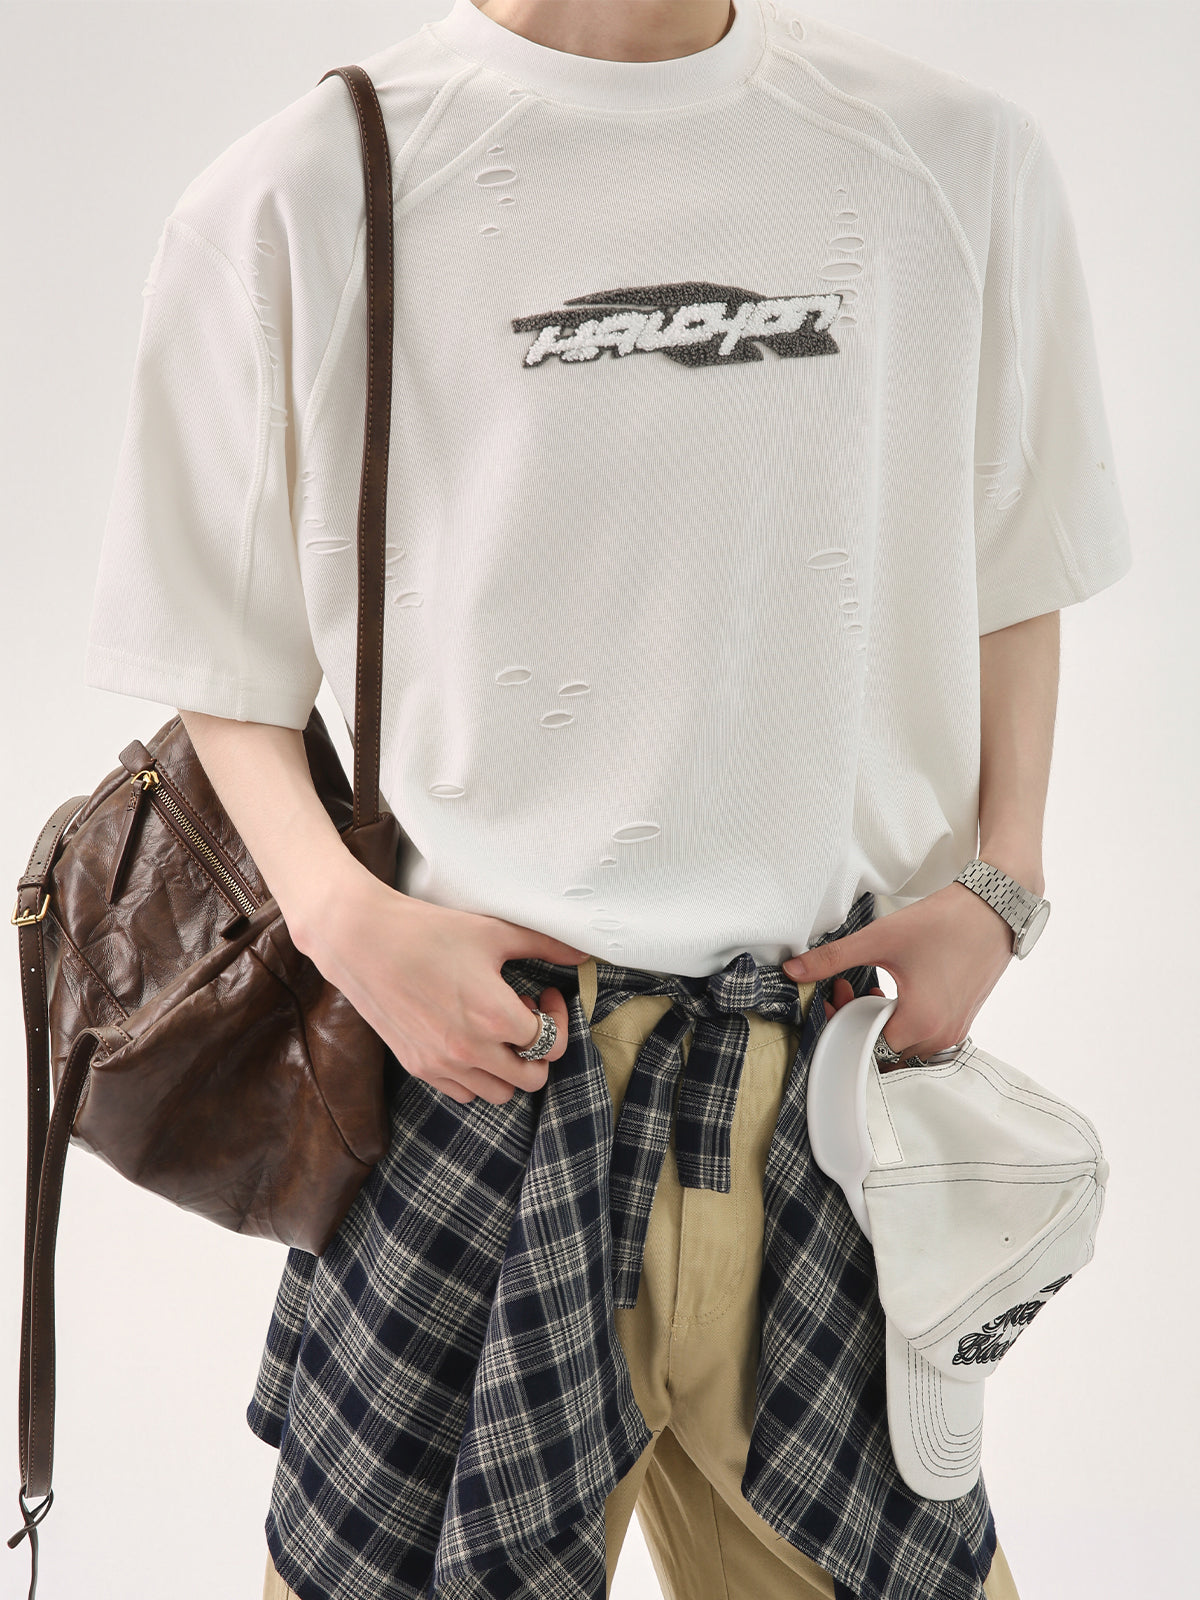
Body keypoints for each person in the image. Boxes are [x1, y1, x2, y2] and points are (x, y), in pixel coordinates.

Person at [82, 1, 1133, 1597]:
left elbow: (1016, 554)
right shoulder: (305, 187)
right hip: (471, 1090)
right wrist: (344, 918)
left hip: (824, 1104)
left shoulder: (952, 158)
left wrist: (1008, 879)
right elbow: (214, 640)